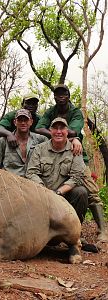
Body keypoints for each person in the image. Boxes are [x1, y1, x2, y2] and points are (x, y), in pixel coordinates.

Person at [35, 84, 108, 241]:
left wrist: (70, 137)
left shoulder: (75, 112)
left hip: (75, 153)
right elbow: (38, 127)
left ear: (68, 96)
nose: (61, 97)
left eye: (64, 94)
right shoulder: (51, 111)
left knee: (90, 192)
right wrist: (56, 135)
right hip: (56, 154)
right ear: (54, 96)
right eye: (58, 94)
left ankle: (103, 230)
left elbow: (74, 131)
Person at [26, 117, 88, 223]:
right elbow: (31, 173)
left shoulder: (75, 149)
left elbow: (77, 177)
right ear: (50, 131)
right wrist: (44, 191)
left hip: (64, 195)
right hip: (42, 194)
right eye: (55, 128)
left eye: (62, 128)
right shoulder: (39, 149)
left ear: (67, 132)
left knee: (81, 192)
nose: (58, 132)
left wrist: (58, 192)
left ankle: (76, 231)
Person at [0, 109, 47, 177]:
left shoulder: (41, 140)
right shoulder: (3, 141)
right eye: (20, 120)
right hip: (9, 181)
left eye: (26, 120)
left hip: (33, 182)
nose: (23, 123)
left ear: (31, 122)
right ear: (15, 122)